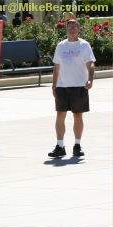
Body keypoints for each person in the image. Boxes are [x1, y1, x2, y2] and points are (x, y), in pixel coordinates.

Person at [48, 19, 95, 158]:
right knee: (60, 116)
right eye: (70, 28)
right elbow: (56, 68)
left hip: (79, 87)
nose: (72, 30)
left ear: (78, 29)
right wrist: (54, 85)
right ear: (66, 30)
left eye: (74, 28)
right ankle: (60, 146)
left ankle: (77, 145)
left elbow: (90, 65)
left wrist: (90, 80)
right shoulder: (61, 46)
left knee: (78, 116)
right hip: (62, 87)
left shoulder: (84, 45)